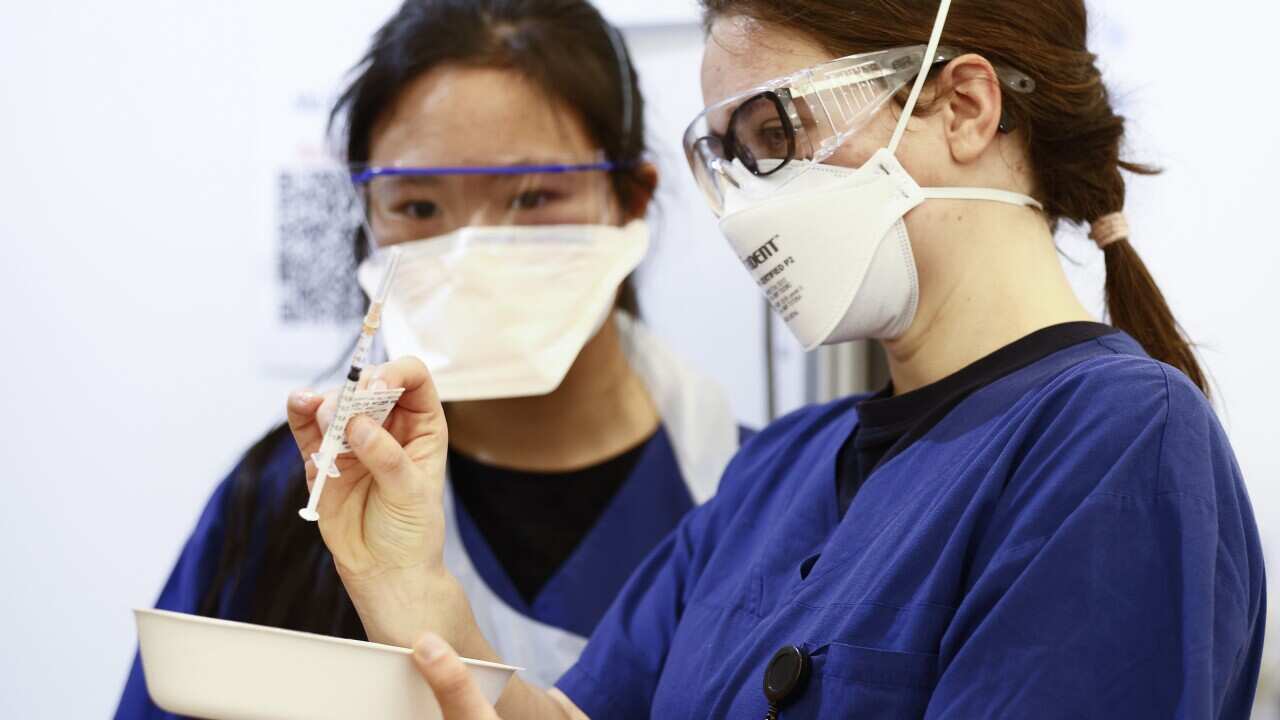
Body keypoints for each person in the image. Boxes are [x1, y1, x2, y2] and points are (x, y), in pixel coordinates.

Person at [293, 0, 1267, 717]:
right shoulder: (779, 469)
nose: (744, 206)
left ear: (962, 106)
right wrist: (416, 594)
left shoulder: (1112, 440)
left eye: (774, 137)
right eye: (722, 156)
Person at [116, 0, 749, 715]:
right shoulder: (289, 500)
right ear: (367, 217)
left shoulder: (759, 501)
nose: (470, 249)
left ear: (631, 198)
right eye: (418, 208)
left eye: (533, 196)